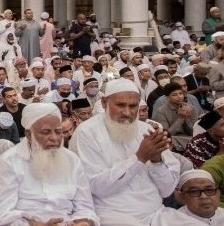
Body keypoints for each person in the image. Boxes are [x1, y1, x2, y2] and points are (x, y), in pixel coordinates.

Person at [70, 78, 180, 225]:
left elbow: (167, 190)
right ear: (104, 103)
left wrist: (157, 161)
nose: (127, 112)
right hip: (111, 214)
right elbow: (95, 187)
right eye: (120, 105)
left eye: (133, 106)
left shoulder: (147, 130)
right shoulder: (86, 133)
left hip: (156, 212)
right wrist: (140, 158)